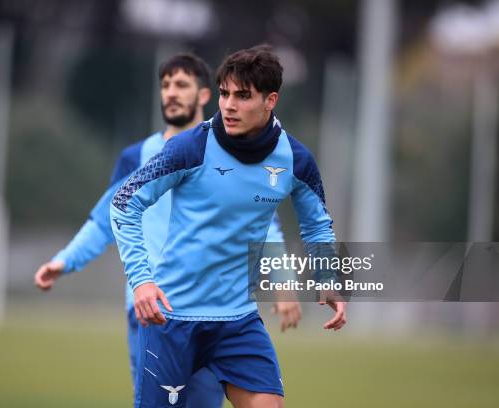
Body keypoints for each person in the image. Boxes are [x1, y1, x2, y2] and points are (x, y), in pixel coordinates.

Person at [34, 53, 298, 407]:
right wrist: (65, 261)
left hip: (213, 311)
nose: (171, 93)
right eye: (165, 85)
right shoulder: (137, 156)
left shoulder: (235, 154)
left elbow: (267, 227)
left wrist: (282, 283)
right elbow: (105, 220)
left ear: (206, 95)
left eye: (182, 85)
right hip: (150, 310)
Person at [110, 45, 346, 408]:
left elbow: (316, 225)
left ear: (271, 100)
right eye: (224, 94)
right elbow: (124, 203)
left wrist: (328, 279)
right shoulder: (190, 147)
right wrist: (141, 281)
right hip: (172, 320)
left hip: (238, 321)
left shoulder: (295, 160)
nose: (228, 105)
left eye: (242, 96)